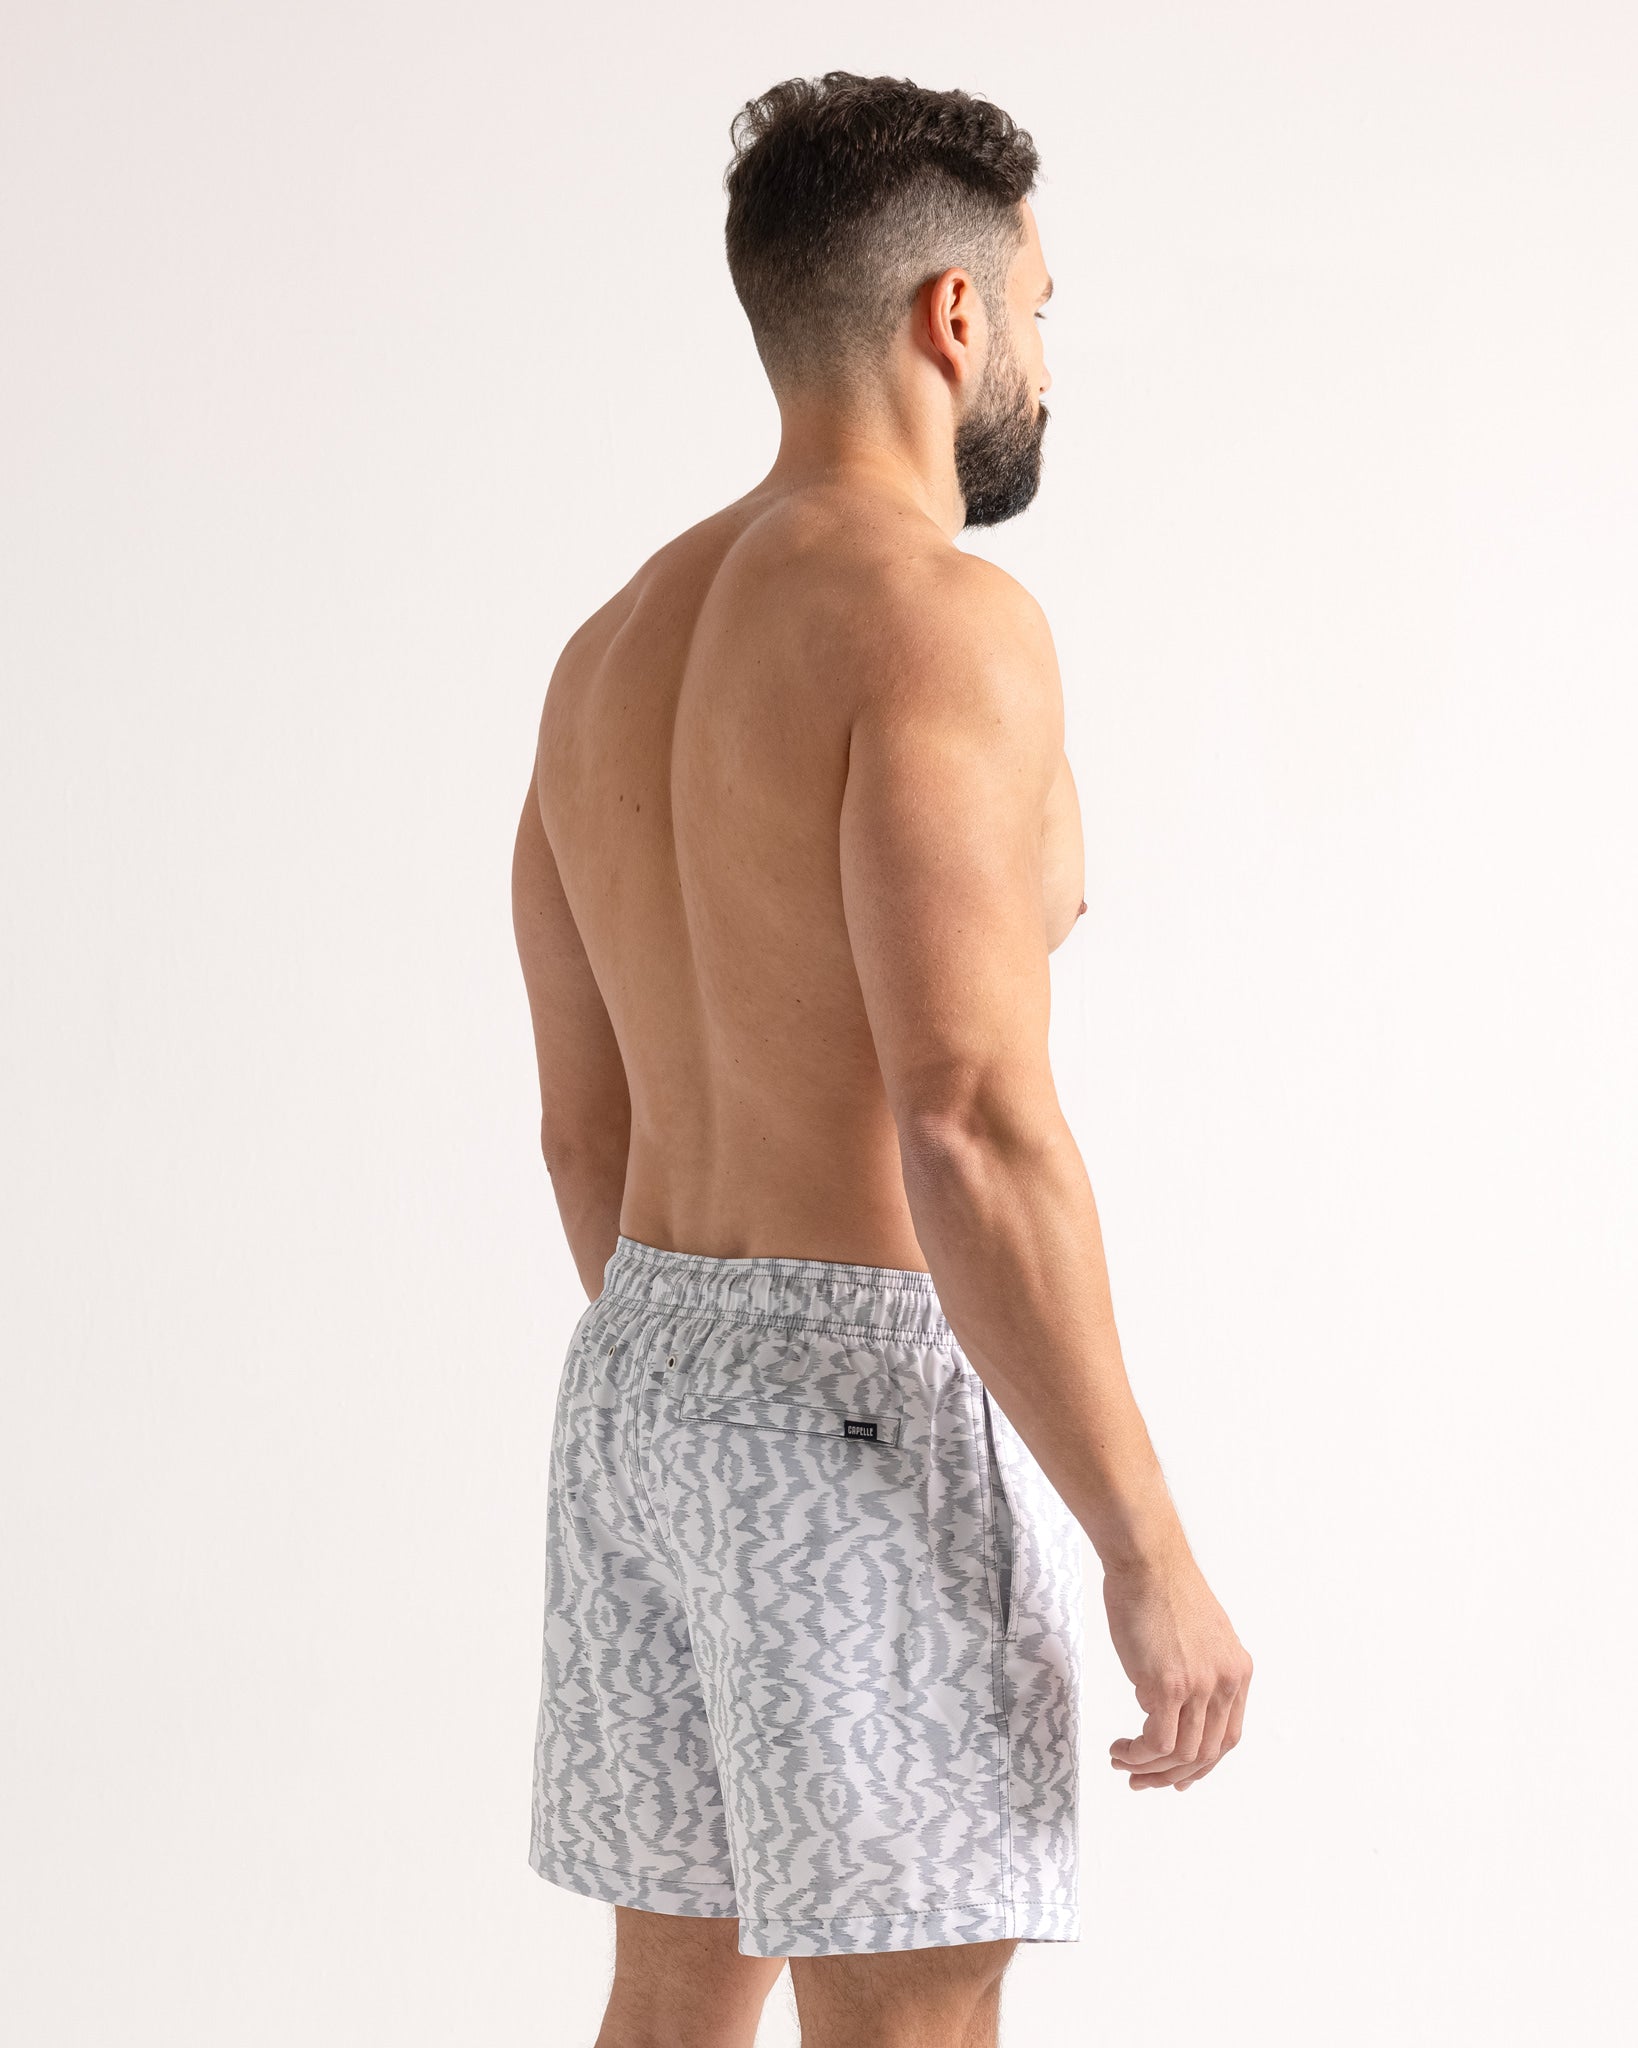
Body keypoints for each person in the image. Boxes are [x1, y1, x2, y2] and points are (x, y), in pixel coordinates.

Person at [512, 70, 1252, 2048]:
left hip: (640, 1387)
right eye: (1039, 308)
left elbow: (585, 1128)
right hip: (847, 1398)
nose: (1040, 354)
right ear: (951, 316)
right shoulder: (939, 623)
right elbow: (971, 1121)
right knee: (908, 2013)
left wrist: (710, 1404)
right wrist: (1148, 1548)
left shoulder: (609, 649)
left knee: (671, 2001)